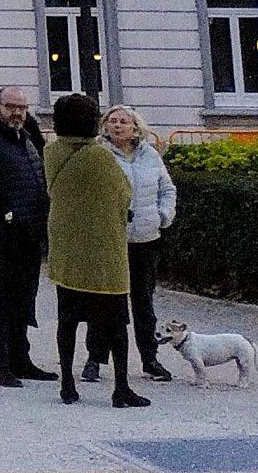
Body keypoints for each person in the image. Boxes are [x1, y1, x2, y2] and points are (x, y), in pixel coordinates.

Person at [44, 93, 148, 408]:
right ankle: (121, 388)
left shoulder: (52, 151)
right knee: (116, 325)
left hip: (67, 249)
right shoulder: (99, 157)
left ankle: (67, 383)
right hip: (103, 253)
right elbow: (123, 193)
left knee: (67, 320)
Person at [0, 84, 55, 387]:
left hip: (32, 227)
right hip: (2, 230)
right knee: (1, 295)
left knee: (25, 294)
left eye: (22, 107)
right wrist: (7, 214)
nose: (17, 112)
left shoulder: (29, 135)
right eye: (10, 106)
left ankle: (20, 358)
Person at [82, 105, 177, 384]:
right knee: (105, 301)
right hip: (112, 239)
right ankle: (95, 359)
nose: (118, 126)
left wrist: (163, 215)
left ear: (135, 127)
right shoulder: (99, 154)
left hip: (146, 238)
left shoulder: (150, 155)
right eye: (112, 121)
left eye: (124, 122)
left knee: (143, 302)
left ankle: (150, 359)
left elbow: (167, 188)